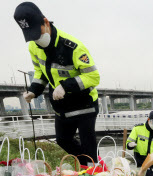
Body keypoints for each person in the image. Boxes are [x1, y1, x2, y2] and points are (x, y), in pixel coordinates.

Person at [14, 2, 100, 166]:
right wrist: (34, 90)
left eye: (37, 34)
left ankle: (94, 173)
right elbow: (40, 71)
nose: (36, 40)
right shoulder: (33, 46)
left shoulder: (73, 47)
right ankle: (87, 165)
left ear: (46, 22)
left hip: (84, 105)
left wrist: (66, 86)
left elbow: (93, 77)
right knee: (63, 140)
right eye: (31, 36)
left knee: (89, 146)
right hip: (62, 106)